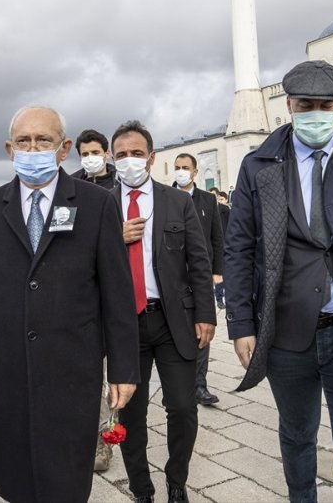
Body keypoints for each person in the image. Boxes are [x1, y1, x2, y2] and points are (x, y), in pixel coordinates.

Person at [225, 60, 333, 503]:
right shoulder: (259, 164)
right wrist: (242, 324)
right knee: (298, 435)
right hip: (288, 332)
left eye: (327, 104)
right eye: (306, 104)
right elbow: (240, 247)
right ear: (289, 104)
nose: (316, 113)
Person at [0, 105, 139, 503]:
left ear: (63, 147)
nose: (32, 148)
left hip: (73, 368)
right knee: (15, 479)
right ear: (8, 148)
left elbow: (117, 295)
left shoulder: (96, 203)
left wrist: (124, 368)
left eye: (43, 140)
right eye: (23, 141)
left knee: (66, 480)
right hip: (9, 371)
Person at [111, 120, 215, 503]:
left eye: (136, 154)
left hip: (173, 320)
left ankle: (177, 481)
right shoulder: (101, 204)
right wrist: (112, 237)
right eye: (121, 155)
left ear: (152, 158)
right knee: (131, 414)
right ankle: (142, 488)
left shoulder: (177, 201)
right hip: (125, 325)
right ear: (112, 159)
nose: (129, 161)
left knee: (184, 407)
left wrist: (206, 313)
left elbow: (199, 260)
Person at [69, 128, 119, 472]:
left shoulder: (118, 187)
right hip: (78, 294)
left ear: (106, 153)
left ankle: (104, 441)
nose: (89, 157)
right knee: (83, 376)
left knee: (105, 375)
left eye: (95, 151)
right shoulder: (70, 187)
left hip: (112, 291)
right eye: (84, 152)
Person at [172, 153, 224, 406]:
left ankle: (199, 385)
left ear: (194, 172)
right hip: (172, 275)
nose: (180, 171)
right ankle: (178, 381)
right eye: (177, 167)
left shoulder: (207, 200)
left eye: (185, 168)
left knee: (203, 325)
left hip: (200, 275)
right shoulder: (165, 197)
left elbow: (217, 237)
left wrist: (217, 270)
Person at [210, 189, 230, 310]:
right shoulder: (206, 211)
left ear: (217, 197)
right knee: (218, 273)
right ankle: (219, 299)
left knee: (227, 273)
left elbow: (231, 226)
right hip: (213, 248)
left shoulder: (224, 209)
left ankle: (229, 296)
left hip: (226, 246)